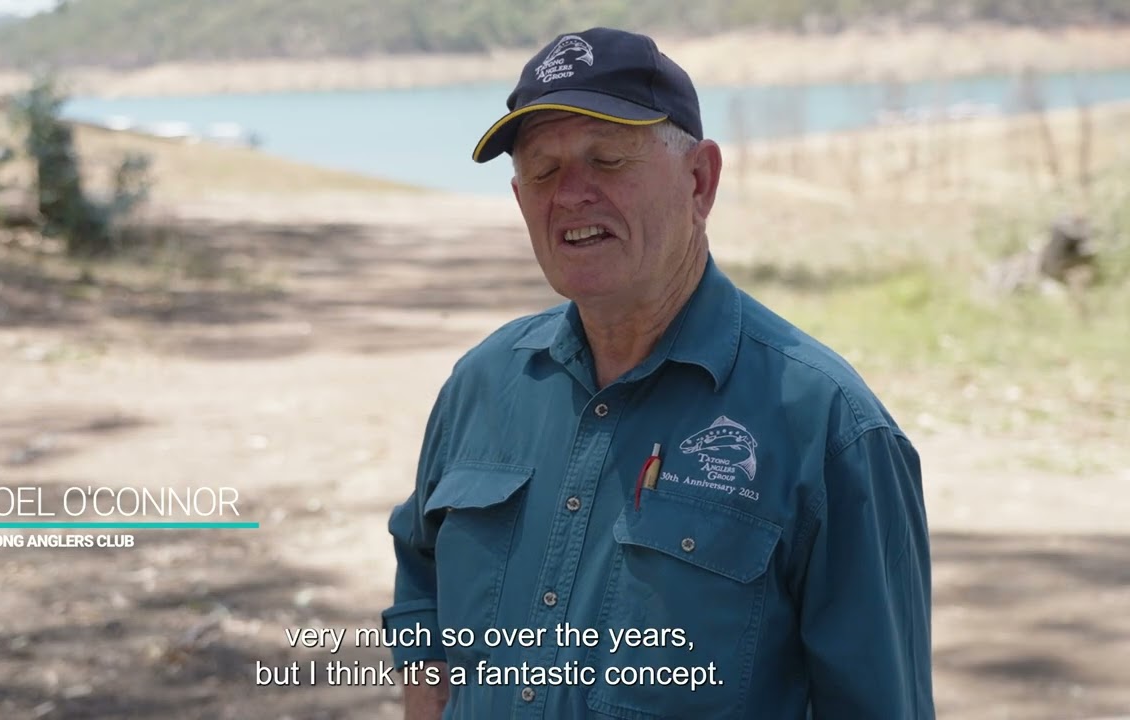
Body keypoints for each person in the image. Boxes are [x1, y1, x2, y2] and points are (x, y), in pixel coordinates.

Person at [381, 27, 934, 720]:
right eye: (543, 171)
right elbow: (423, 580)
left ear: (700, 181)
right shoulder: (483, 384)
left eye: (607, 159)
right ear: (521, 200)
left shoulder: (829, 426)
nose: (570, 195)